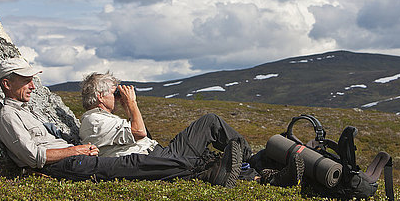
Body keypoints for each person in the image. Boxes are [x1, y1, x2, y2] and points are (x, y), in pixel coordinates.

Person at [0, 57, 242, 186]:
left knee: (207, 123)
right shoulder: (8, 116)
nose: (32, 85)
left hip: (78, 160)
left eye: (31, 79)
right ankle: (213, 170)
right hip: (68, 164)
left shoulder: (26, 112)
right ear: (7, 84)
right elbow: (31, 156)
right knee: (134, 164)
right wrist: (75, 149)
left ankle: (240, 163)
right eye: (25, 80)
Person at [78, 71, 304, 187]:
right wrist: (132, 104)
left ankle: (257, 168)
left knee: (211, 134)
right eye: (113, 93)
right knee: (208, 141)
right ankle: (259, 168)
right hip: (154, 160)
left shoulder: (102, 118)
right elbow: (139, 132)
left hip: (158, 153)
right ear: (99, 96)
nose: (117, 98)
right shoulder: (94, 121)